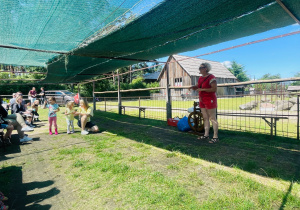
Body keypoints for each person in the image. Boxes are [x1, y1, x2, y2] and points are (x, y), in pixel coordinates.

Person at [188, 62, 219, 143]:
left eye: (201, 67)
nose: (199, 69)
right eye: (199, 67)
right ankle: (206, 135)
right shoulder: (200, 78)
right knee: (205, 118)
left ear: (206, 68)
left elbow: (214, 89)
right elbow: (198, 86)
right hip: (202, 100)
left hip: (210, 99)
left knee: (212, 118)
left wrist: (202, 90)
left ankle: (215, 137)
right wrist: (192, 87)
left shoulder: (211, 77)